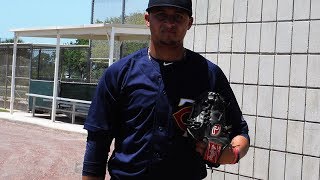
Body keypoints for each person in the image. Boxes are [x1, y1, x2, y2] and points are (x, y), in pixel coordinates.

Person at [82, 0, 250, 179]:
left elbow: (240, 131)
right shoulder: (118, 74)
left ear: (190, 23)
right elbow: (97, 144)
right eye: (161, 15)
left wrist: (232, 155)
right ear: (147, 19)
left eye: (178, 17)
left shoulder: (209, 74)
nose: (170, 23)